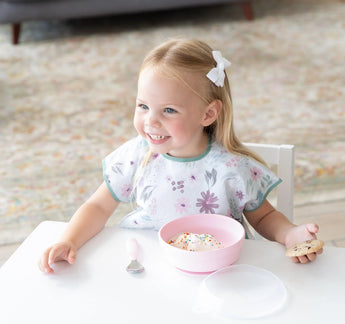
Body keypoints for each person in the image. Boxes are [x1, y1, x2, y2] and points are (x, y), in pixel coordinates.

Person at [38, 38, 322, 273]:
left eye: (169, 110)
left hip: (218, 272)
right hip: (147, 267)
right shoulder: (137, 155)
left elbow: (265, 217)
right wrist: (69, 240)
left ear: (208, 114)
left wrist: (289, 234)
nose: (151, 121)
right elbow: (98, 207)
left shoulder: (231, 168)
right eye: (143, 105)